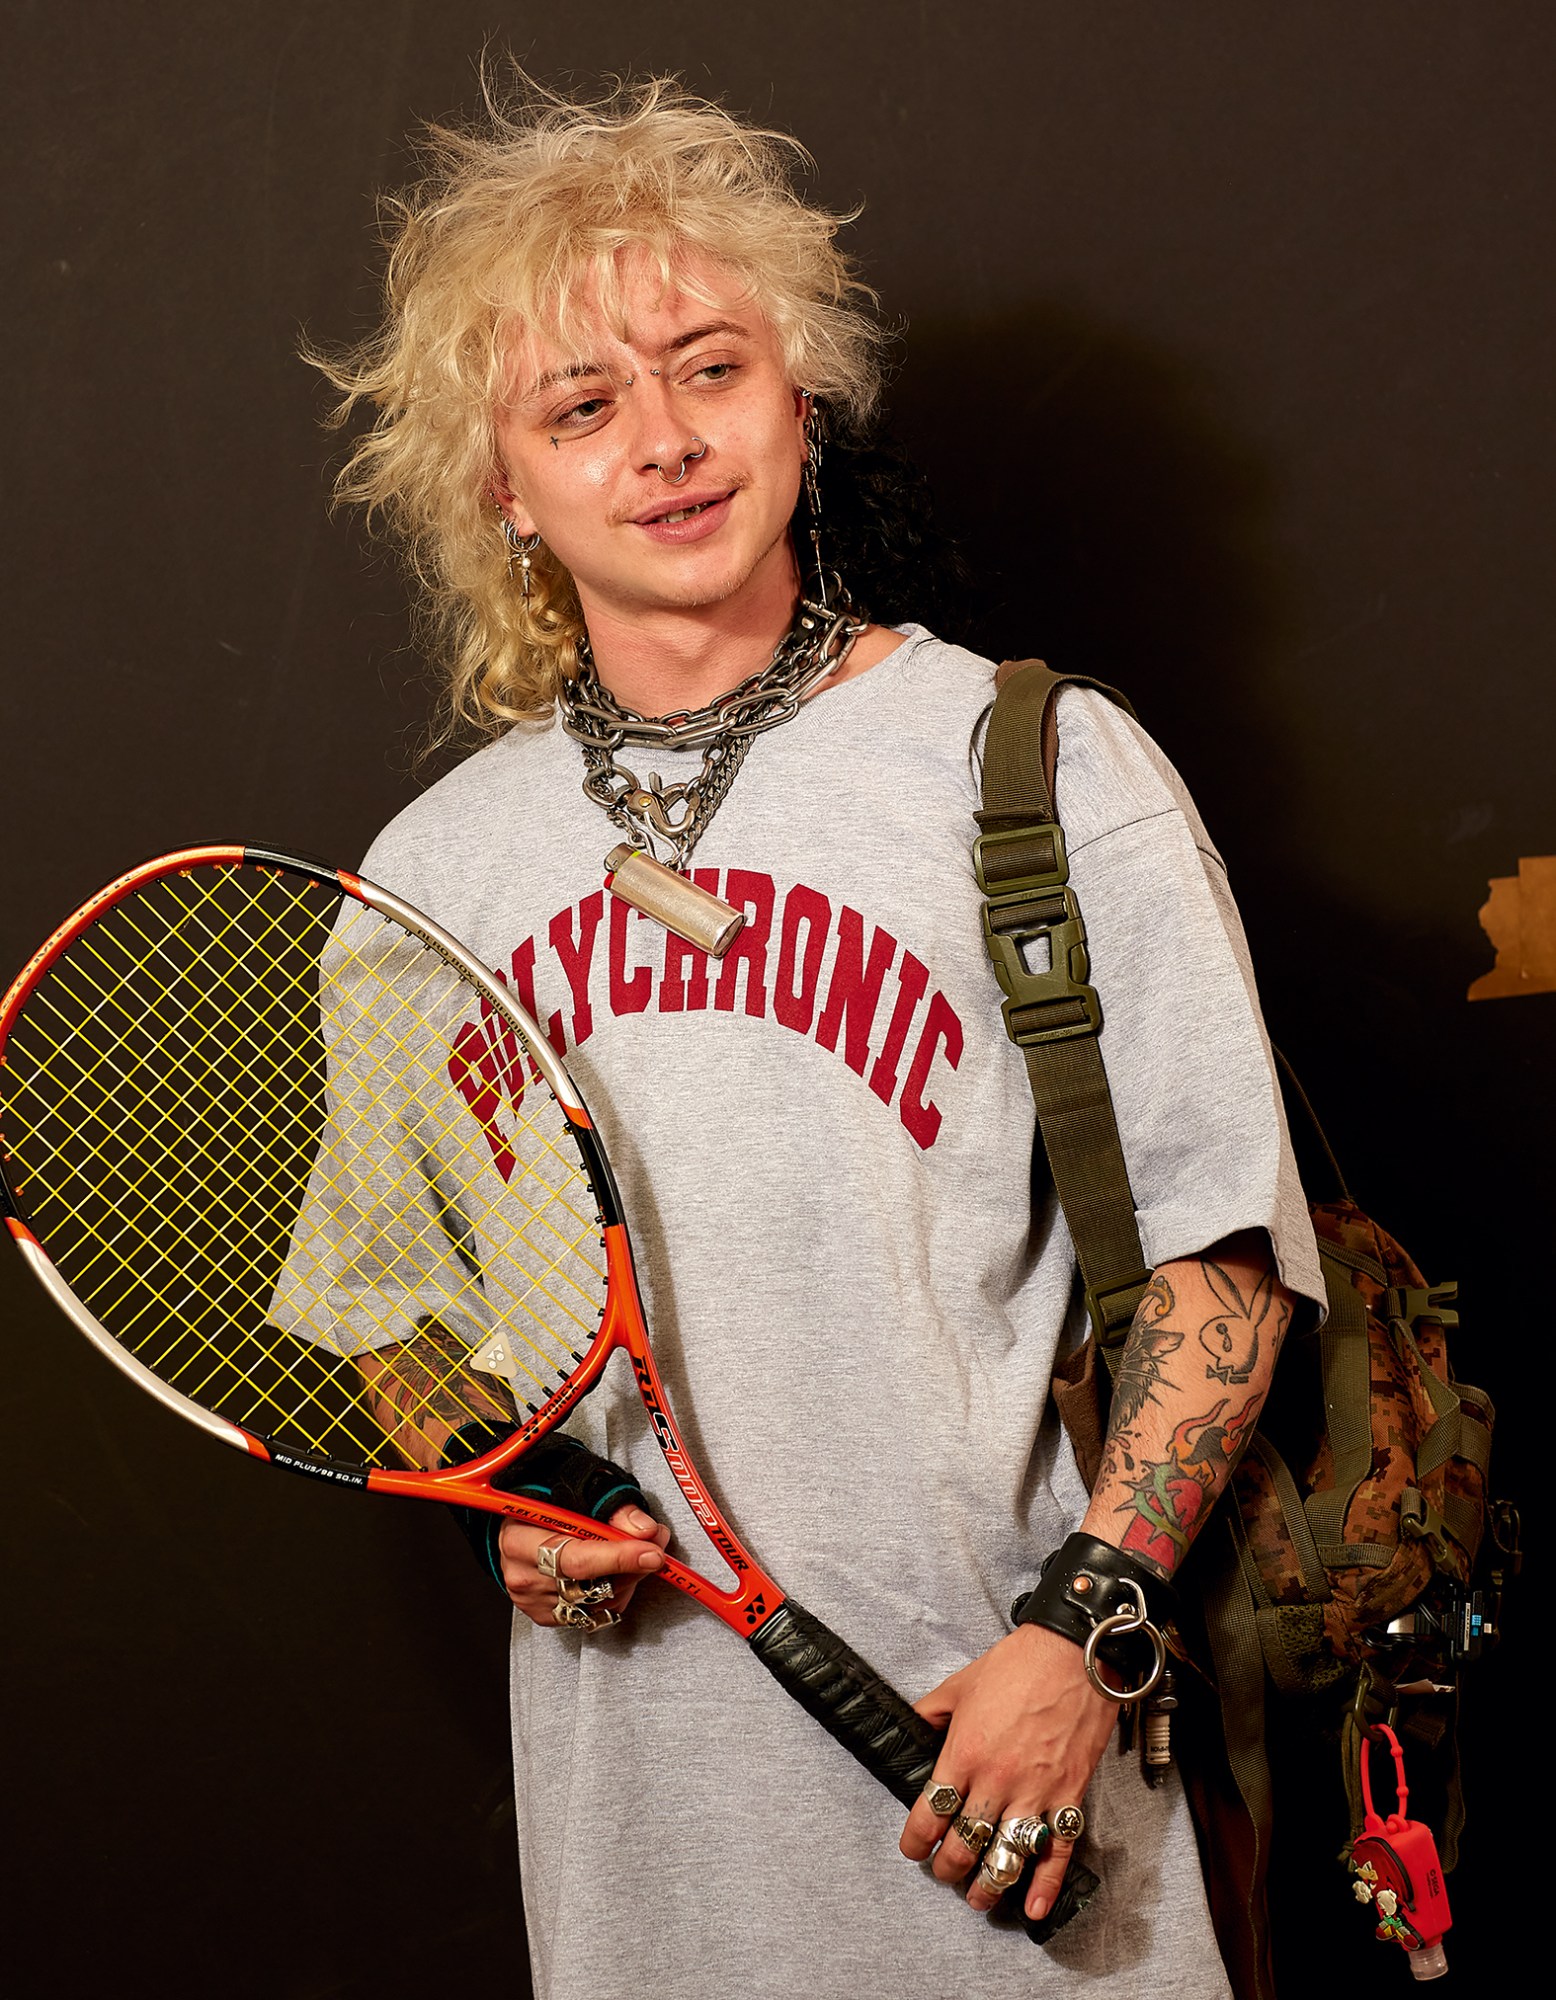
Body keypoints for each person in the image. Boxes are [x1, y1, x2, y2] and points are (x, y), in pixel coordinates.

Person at [310, 74, 1324, 1999]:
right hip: (640, 1846)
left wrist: (1088, 1636)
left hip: (1013, 1781)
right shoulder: (427, 875)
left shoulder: (1033, 766)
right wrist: (497, 1480)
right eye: (582, 406)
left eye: (711, 367)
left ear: (801, 397)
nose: (669, 443)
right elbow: (399, 1318)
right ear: (502, 488)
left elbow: (1224, 1262)